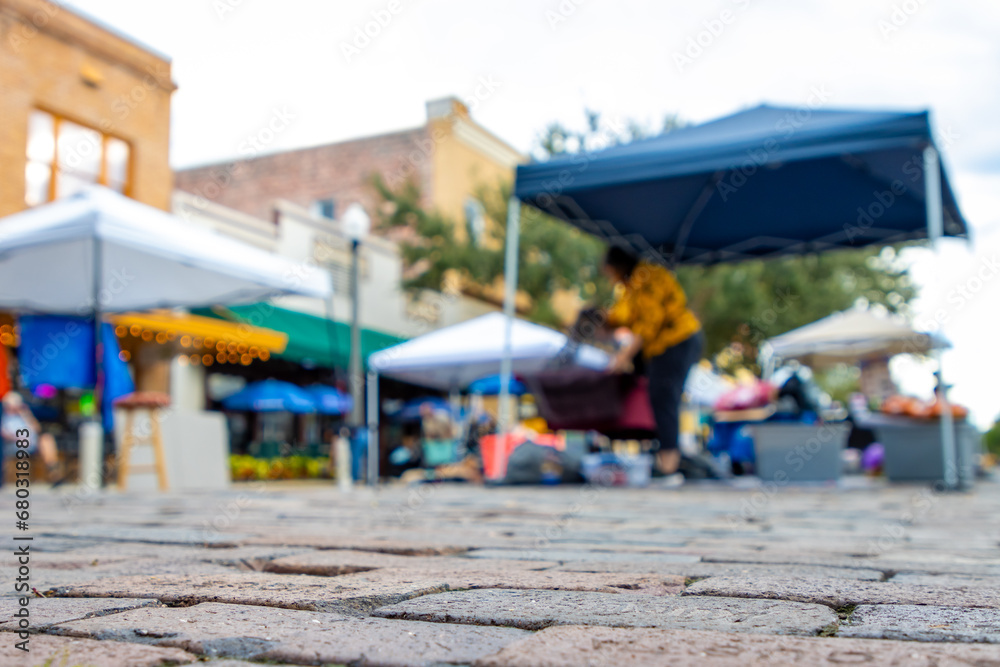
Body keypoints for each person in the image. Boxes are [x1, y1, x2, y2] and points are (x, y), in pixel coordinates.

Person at [602, 244, 704, 477]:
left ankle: (669, 465)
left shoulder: (646, 277)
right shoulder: (630, 288)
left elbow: (648, 323)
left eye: (610, 273)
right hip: (664, 346)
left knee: (664, 396)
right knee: (659, 397)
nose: (611, 280)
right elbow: (624, 316)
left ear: (618, 267)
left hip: (677, 341)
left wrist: (623, 357)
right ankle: (666, 461)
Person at [2, 391, 60, 484]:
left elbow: (37, 429)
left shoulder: (24, 415)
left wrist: (26, 414)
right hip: (14, 445)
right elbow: (4, 433)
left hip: (32, 444)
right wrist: (16, 438)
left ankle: (53, 471)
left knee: (46, 439)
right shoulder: (5, 417)